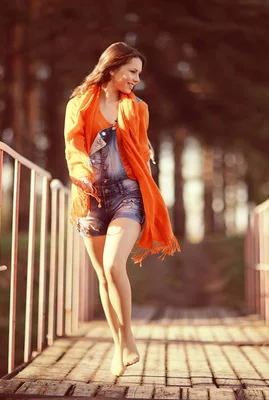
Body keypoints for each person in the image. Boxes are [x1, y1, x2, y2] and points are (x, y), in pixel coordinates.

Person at [63, 42, 180, 376]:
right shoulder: (78, 104)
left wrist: (147, 157)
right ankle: (117, 346)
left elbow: (139, 149)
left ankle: (127, 336)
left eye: (139, 74)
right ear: (112, 68)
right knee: (102, 276)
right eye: (132, 72)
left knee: (114, 265)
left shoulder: (138, 108)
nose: (135, 80)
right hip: (91, 198)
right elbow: (73, 146)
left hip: (128, 194)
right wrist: (83, 173)